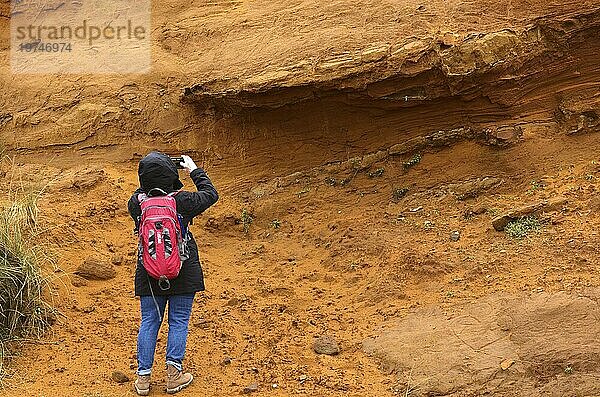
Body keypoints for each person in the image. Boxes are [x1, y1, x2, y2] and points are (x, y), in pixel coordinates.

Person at [127, 151, 218, 395]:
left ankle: (143, 379)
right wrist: (193, 170)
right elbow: (211, 195)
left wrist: (150, 179)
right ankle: (173, 375)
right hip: (183, 270)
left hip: (148, 271)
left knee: (149, 321)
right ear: (171, 174)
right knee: (178, 321)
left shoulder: (136, 203)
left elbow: (142, 192)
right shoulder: (182, 201)